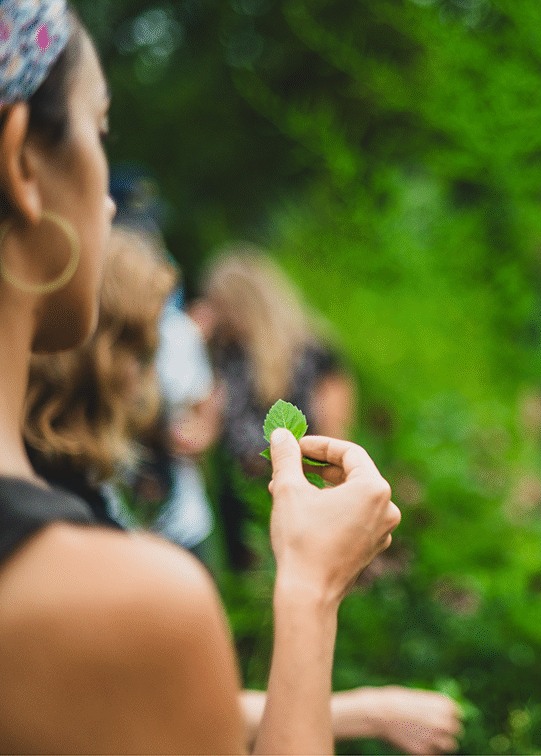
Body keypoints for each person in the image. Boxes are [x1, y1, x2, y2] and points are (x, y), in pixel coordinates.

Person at [0, 3, 400, 751]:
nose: (113, 204)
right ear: (24, 162)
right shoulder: (118, 598)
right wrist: (310, 592)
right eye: (101, 130)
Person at [26, 225, 465, 755]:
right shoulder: (115, 568)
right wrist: (310, 591)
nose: (154, 386)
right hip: (255, 520)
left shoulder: (59, 512)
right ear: (98, 361)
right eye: (143, 354)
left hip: (283, 510)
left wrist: (365, 710)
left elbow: (175, 707)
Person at [189, 246, 357, 570]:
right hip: (242, 503)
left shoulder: (315, 355)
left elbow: (339, 439)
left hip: (300, 496)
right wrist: (190, 340)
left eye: (221, 305)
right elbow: (202, 428)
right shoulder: (223, 353)